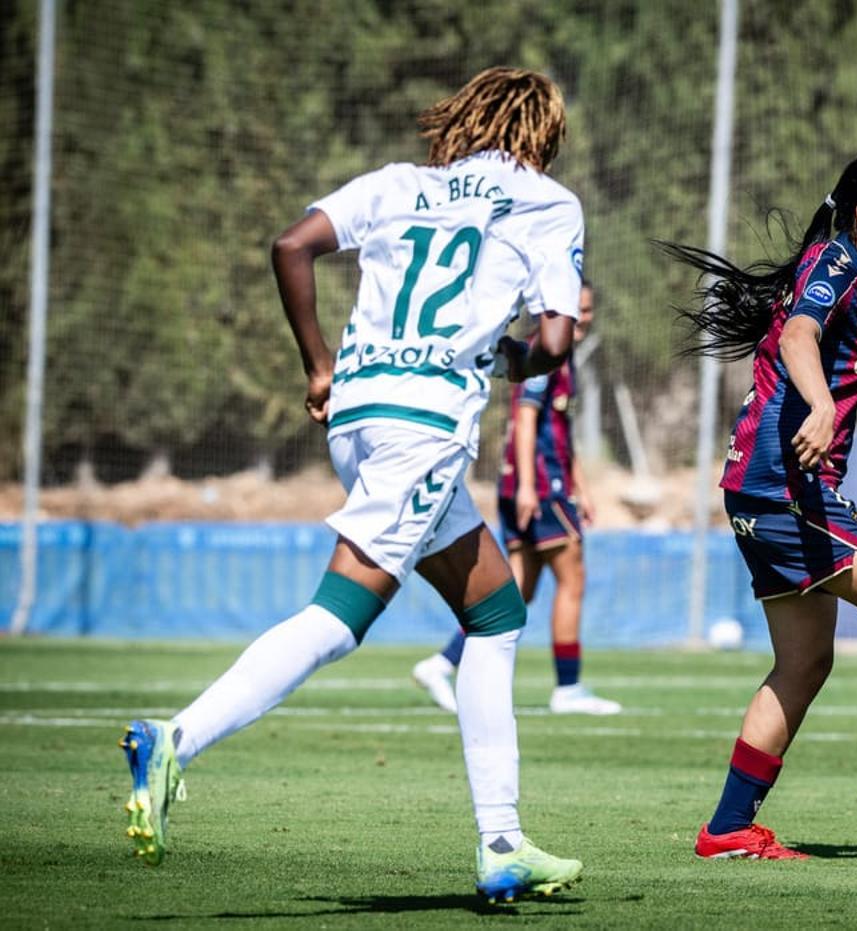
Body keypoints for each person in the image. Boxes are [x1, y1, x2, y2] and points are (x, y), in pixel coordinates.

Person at [119, 67, 588, 902]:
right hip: (425, 428)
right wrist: (512, 355)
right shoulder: (545, 201)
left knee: (493, 613)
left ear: (466, 120)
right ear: (541, 136)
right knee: (338, 617)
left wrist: (317, 364)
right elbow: (553, 339)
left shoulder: (400, 183)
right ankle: (174, 739)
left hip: (359, 412)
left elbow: (290, 245)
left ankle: (504, 843)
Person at [660, 152, 857, 860]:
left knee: (804, 662)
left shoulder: (850, 271)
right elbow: (801, 334)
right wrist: (817, 404)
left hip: (769, 484)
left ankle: (726, 828)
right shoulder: (835, 265)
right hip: (784, 485)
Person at [412, 281, 621, 716]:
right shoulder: (542, 358)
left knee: (515, 590)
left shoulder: (559, 356)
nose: (584, 317)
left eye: (588, 309)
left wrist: (580, 486)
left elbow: (561, 432)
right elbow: (524, 422)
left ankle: (441, 663)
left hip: (545, 483)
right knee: (572, 580)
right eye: (576, 310)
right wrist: (529, 486)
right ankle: (568, 688)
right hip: (541, 486)